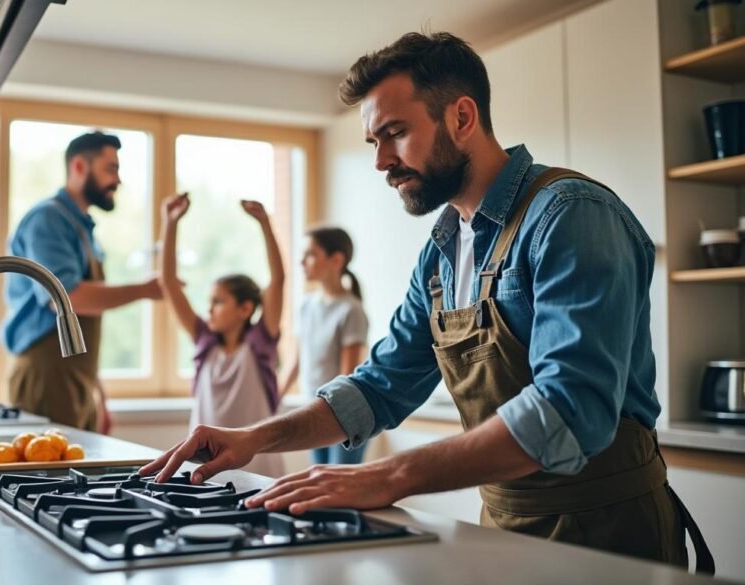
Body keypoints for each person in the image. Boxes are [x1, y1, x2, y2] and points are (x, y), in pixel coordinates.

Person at [139, 32, 713, 572]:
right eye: (373, 141)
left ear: (462, 117)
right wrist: (256, 437)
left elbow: (570, 410)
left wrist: (392, 475)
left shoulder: (570, 216)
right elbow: (378, 386)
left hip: (609, 538)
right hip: (503, 527)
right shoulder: (441, 252)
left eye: (394, 132)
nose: (381, 161)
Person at [1, 131, 162, 432]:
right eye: (110, 168)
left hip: (76, 380)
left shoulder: (80, 227)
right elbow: (68, 298)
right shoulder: (48, 220)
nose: (118, 180)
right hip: (47, 377)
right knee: (47, 476)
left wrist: (98, 394)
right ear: (78, 167)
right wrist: (145, 290)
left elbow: (77, 330)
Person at [158, 193, 285, 477]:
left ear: (245, 309)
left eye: (218, 301)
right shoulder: (204, 341)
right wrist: (170, 223)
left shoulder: (260, 342)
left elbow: (278, 280)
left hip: (259, 464)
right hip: (204, 462)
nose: (210, 309)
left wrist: (265, 223)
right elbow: (168, 283)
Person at [280, 227, 369, 465]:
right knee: (318, 480)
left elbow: (346, 375)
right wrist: (275, 395)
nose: (302, 261)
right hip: (314, 412)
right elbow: (296, 361)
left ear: (336, 260)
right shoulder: (305, 306)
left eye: (310, 254)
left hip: (343, 415)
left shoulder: (351, 310)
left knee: (341, 486)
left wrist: (326, 412)